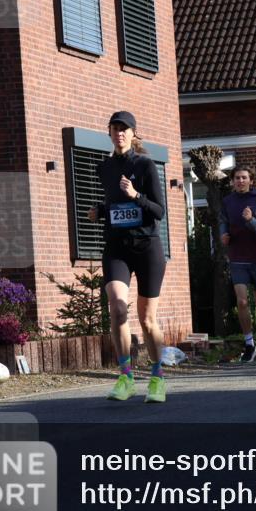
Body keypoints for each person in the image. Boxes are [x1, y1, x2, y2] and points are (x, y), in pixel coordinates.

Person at [90, 111, 168, 403]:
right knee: (118, 308)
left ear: (134, 134)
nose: (119, 133)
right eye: (115, 128)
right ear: (109, 133)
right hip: (116, 247)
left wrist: (136, 195)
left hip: (147, 246)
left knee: (147, 319)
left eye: (124, 129)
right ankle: (125, 377)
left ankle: (158, 379)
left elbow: (159, 211)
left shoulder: (145, 165)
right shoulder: (105, 168)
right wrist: (100, 211)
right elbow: (113, 204)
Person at [219, 166, 256, 363]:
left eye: (244, 178)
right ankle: (250, 344)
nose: (240, 181)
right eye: (237, 178)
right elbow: (223, 221)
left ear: (251, 181)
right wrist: (223, 235)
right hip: (237, 257)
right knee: (242, 302)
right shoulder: (228, 201)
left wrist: (251, 221)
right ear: (232, 181)